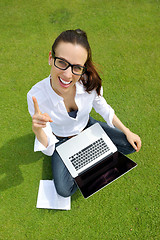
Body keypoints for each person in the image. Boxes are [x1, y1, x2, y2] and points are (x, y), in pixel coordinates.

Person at [27, 29, 141, 197]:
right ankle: (90, 153)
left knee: (130, 146)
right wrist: (38, 131)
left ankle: (90, 152)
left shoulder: (88, 81)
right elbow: (49, 148)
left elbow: (103, 107)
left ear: (83, 68)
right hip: (60, 140)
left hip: (87, 127)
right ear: (51, 58)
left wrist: (127, 131)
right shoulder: (36, 96)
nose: (67, 74)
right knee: (64, 190)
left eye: (77, 67)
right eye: (62, 62)